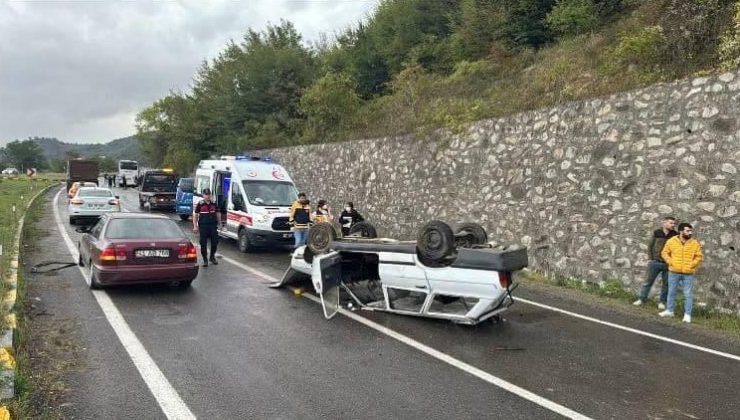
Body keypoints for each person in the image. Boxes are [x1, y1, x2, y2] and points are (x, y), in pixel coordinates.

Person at [659, 223, 704, 323]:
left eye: (691, 231)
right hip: (674, 272)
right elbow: (664, 252)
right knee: (671, 292)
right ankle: (670, 311)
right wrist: (670, 262)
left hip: (688, 273)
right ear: (681, 231)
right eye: (688, 230)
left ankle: (687, 315)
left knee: (688, 294)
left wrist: (692, 265)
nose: (690, 233)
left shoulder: (695, 243)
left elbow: (699, 256)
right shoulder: (671, 241)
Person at [633, 216, 677, 309]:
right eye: (670, 223)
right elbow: (650, 246)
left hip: (668, 263)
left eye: (673, 223)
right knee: (648, 282)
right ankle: (641, 299)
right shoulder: (656, 232)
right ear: (664, 223)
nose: (672, 225)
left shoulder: (675, 235)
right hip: (655, 262)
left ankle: (662, 302)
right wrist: (650, 259)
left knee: (666, 284)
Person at [193, 188, 221, 267]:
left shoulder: (214, 203)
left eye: (209, 194)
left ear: (210, 195)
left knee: (215, 242)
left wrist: (220, 223)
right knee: (203, 243)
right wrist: (195, 226)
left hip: (212, 225)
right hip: (203, 226)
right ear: (203, 195)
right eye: (206, 195)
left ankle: (212, 256)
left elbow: (218, 213)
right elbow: (196, 215)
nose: (207, 196)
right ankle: (205, 259)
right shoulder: (200, 204)